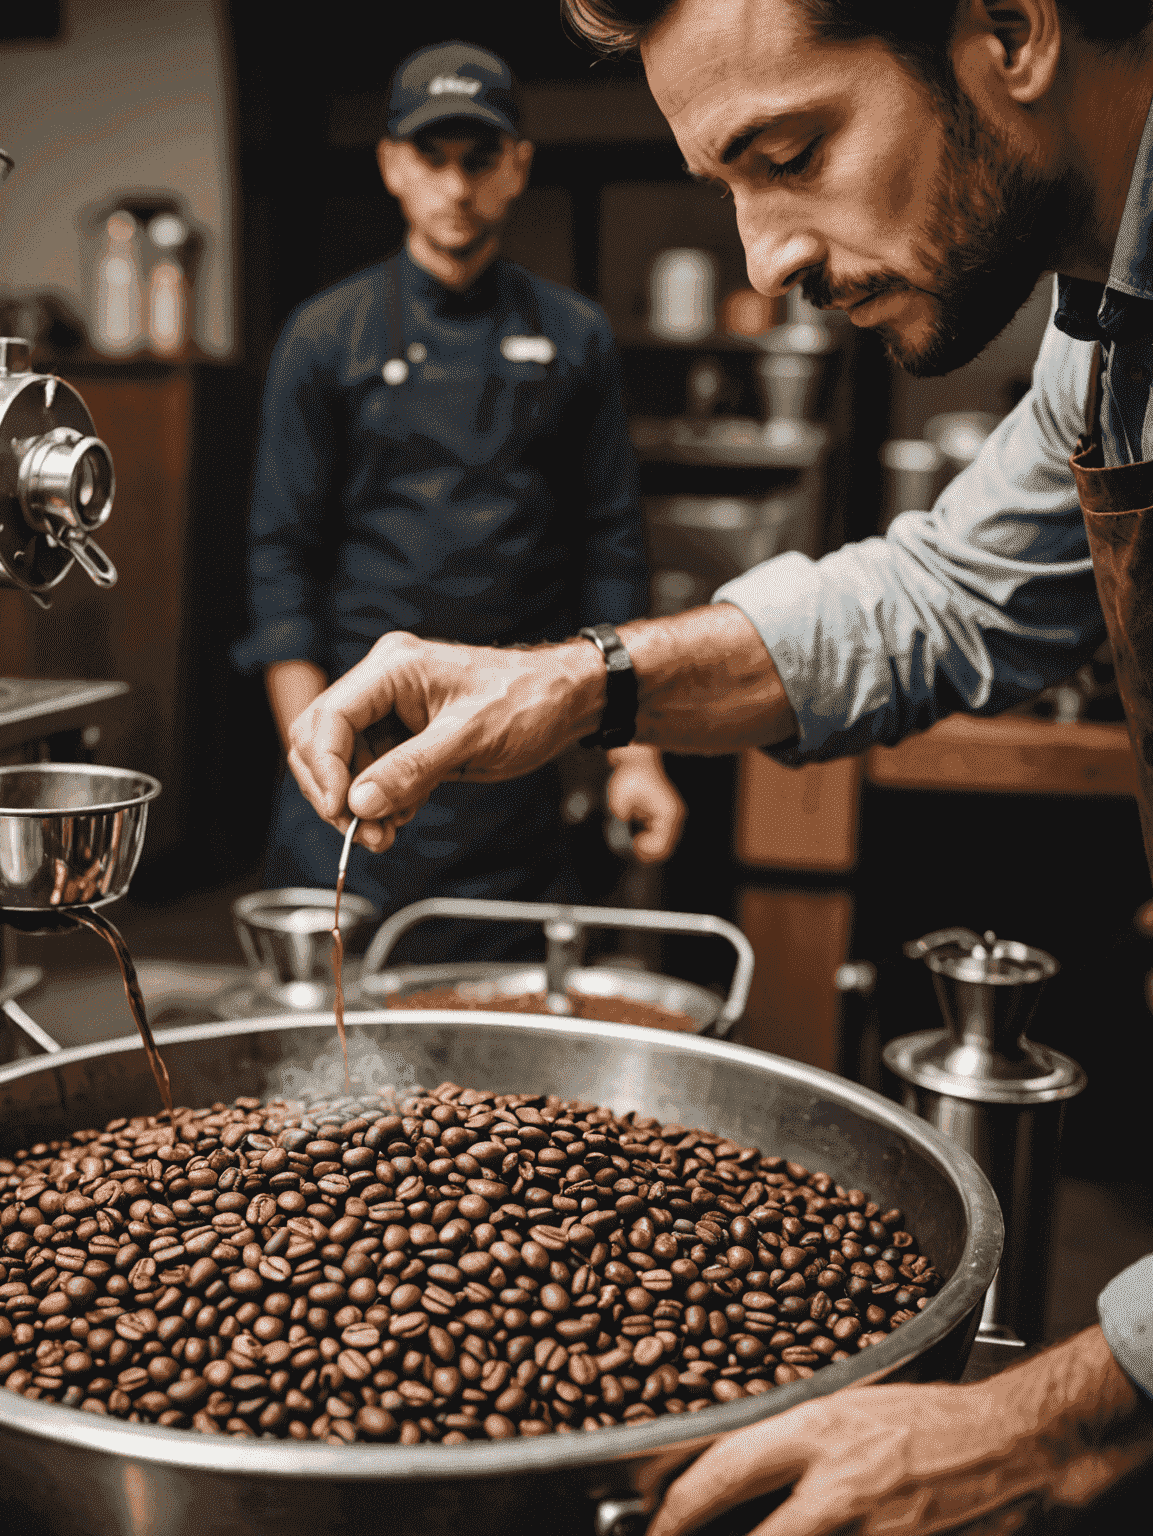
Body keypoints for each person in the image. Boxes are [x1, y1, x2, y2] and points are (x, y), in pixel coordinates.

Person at [280, 0, 1153, 1526]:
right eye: (726, 190)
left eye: (791, 152)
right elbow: (945, 594)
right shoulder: (1110, 334)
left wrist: (1067, 1417)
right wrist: (581, 684)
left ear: (1012, 27)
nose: (767, 265)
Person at [233, 39, 684, 961]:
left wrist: (635, 758)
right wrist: (312, 742)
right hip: (353, 753)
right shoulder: (322, 339)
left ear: (517, 166)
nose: (455, 187)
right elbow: (281, 557)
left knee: (502, 1075)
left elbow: (611, 547)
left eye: (479, 159)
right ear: (392, 165)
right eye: (430, 158)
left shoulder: (576, 337)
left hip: (518, 769)